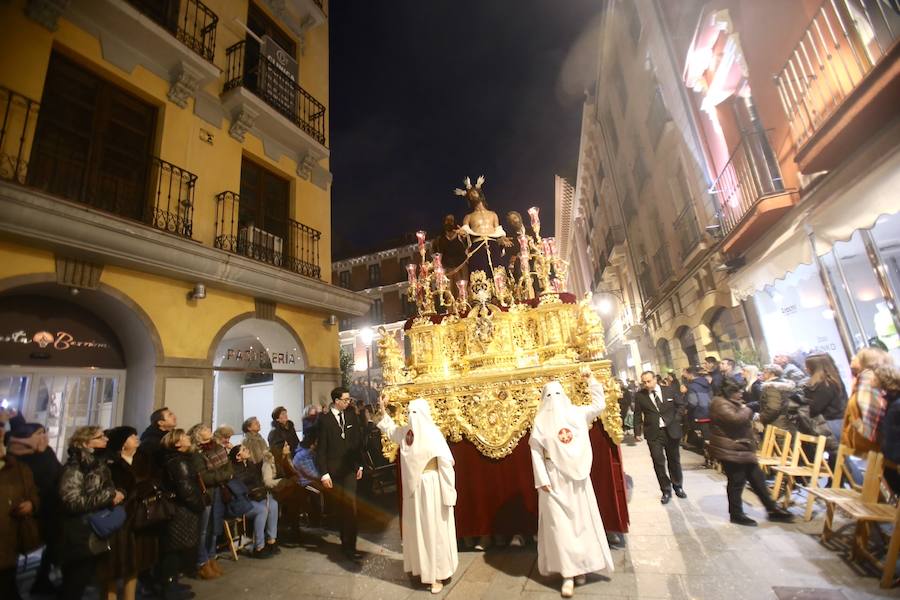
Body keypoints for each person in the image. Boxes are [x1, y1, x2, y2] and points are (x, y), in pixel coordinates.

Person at [529, 370, 614, 597]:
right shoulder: (540, 421)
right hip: (553, 479)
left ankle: (583, 566)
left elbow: (598, 405)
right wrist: (542, 479)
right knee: (560, 527)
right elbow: (536, 452)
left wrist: (591, 381)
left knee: (581, 523)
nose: (554, 399)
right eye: (550, 395)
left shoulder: (576, 414)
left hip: (577, 478)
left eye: (558, 394)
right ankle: (568, 574)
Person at [377, 397, 458, 594]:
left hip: (432, 488)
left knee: (433, 530)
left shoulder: (433, 435)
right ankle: (422, 570)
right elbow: (391, 431)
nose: (411, 417)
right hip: (414, 491)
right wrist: (382, 410)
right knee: (419, 531)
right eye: (409, 413)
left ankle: (437, 574)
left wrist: (448, 494)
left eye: (415, 413)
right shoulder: (407, 433)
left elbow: (446, 466)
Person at [709, 380, 795, 526]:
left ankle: (772, 509)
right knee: (737, 481)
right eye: (737, 390)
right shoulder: (719, 403)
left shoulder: (728, 401)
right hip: (731, 449)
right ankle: (736, 514)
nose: (741, 393)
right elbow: (735, 419)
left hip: (741, 448)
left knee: (758, 479)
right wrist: (749, 408)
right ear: (728, 391)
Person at [58, 426, 124, 600]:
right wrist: (109, 495)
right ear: (86, 442)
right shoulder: (75, 466)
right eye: (100, 437)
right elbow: (72, 501)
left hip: (93, 526)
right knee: (75, 580)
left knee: (87, 577)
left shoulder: (97, 462)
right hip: (80, 530)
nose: (106, 439)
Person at [5, 421, 61, 595]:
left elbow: (58, 472)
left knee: (52, 545)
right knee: (10, 553)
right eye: (39, 433)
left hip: (50, 507)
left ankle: (41, 580)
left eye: (44, 432)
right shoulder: (13, 458)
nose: (44, 437)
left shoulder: (46, 453)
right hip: (22, 511)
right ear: (26, 437)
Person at [316, 386, 364, 561]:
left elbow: (356, 442)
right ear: (336, 401)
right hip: (334, 471)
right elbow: (321, 449)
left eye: (349, 399)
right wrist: (324, 474)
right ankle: (346, 543)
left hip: (350, 468)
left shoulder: (351, 415)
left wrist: (360, 465)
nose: (348, 402)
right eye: (345, 400)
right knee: (342, 507)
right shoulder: (325, 420)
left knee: (350, 506)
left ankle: (351, 546)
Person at [97, 426, 140, 600]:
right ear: (122, 443)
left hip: (138, 518)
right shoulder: (111, 464)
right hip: (118, 519)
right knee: (113, 567)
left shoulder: (142, 460)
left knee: (134, 564)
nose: (136, 438)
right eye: (132, 436)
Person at [160, 429, 204, 599]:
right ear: (177, 444)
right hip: (182, 511)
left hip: (181, 509)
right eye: (184, 436)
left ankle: (172, 583)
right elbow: (186, 490)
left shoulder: (180, 459)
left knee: (177, 549)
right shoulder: (179, 462)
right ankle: (169, 588)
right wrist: (199, 505)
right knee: (175, 550)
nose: (188, 438)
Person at [634, 371, 686, 504]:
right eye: (644, 382)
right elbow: (637, 414)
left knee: (674, 460)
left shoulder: (669, 390)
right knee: (658, 462)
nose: (646, 384)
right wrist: (637, 432)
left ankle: (678, 486)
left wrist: (677, 419)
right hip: (653, 433)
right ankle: (666, 490)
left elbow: (681, 405)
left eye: (649, 381)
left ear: (655, 379)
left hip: (671, 430)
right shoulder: (640, 395)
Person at [0, 427, 40, 600]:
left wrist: (31, 504)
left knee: (7, 583)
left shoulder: (17, 467)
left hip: (9, 538)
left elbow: (32, 492)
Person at [188, 424, 232, 580]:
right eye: (205, 429)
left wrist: (220, 474)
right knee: (204, 529)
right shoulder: (196, 453)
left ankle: (212, 558)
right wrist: (222, 475)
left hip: (219, 492)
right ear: (199, 435)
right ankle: (202, 561)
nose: (209, 430)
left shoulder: (217, 448)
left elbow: (229, 468)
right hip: (207, 494)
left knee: (214, 528)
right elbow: (204, 476)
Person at [843, 347, 894, 455]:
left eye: (857, 356)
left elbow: (874, 417)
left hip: (872, 449)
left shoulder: (868, 380)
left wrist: (856, 424)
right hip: (867, 447)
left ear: (867, 361)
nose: (853, 358)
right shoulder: (862, 379)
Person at [455, 175, 506, 277]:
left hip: (493, 245)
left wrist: (502, 239)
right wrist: (463, 235)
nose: (472, 195)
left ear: (480, 194)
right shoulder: (468, 217)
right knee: (479, 276)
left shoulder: (493, 214)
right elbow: (465, 234)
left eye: (474, 192)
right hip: (477, 247)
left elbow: (499, 231)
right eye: (470, 195)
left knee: (498, 276)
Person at [229, 444, 273, 558]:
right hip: (243, 500)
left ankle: (271, 540)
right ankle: (259, 547)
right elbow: (243, 484)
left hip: (254, 496)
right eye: (244, 450)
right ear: (238, 456)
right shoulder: (235, 469)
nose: (248, 450)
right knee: (262, 510)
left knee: (273, 504)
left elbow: (257, 480)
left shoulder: (249, 464)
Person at [803, 353, 848, 443]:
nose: (805, 369)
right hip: (839, 420)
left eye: (807, 366)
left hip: (831, 423)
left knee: (838, 453)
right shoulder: (833, 379)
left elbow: (815, 408)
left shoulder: (824, 384)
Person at [432, 214, 469, 288]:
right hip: (447, 271)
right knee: (449, 294)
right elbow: (436, 255)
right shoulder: (439, 240)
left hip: (461, 269)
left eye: (451, 220)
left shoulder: (461, 237)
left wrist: (465, 235)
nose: (449, 222)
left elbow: (469, 246)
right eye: (447, 220)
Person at [683, 366, 713, 451]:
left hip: (699, 414)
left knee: (704, 437)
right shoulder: (706, 383)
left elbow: (693, 402)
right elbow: (711, 396)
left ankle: (709, 457)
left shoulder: (691, 386)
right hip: (710, 411)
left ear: (690, 374)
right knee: (710, 436)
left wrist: (687, 409)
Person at [759, 364, 796, 432]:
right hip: (784, 421)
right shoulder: (783, 385)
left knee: (775, 441)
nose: (762, 374)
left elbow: (773, 408)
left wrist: (761, 418)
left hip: (776, 424)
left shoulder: (772, 386)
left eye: (765, 372)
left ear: (772, 374)